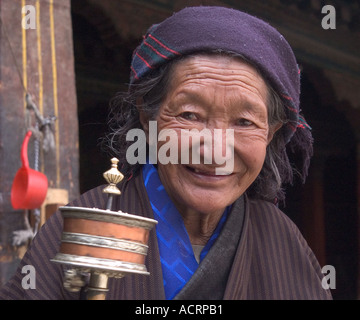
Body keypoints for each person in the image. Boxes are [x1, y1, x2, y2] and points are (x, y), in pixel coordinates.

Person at [0, 6, 332, 300]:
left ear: (270, 133)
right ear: (148, 115)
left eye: (244, 122)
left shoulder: (283, 241)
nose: (215, 151)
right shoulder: (83, 223)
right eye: (190, 115)